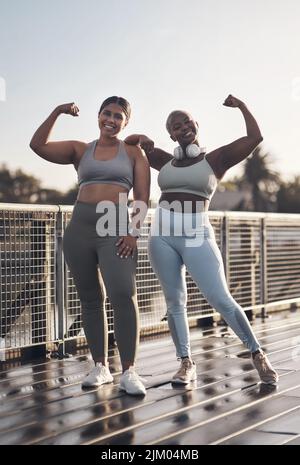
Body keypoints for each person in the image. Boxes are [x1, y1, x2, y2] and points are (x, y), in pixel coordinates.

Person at [125, 94, 279, 386]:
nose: (182, 127)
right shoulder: (165, 160)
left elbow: (254, 137)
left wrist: (243, 106)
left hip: (197, 234)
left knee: (220, 298)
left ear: (196, 125)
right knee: (175, 302)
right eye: (175, 125)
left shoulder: (215, 159)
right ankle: (185, 363)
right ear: (170, 133)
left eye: (187, 121)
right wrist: (143, 138)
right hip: (162, 235)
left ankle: (257, 353)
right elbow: (129, 144)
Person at [30, 96, 150, 395]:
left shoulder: (134, 152)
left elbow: (142, 199)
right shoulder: (80, 150)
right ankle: (100, 366)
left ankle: (130, 371)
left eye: (118, 116)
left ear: (126, 122)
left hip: (115, 225)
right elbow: (38, 145)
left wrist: (133, 233)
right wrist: (57, 110)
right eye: (106, 113)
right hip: (79, 228)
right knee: (89, 298)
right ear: (98, 116)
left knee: (123, 293)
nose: (111, 119)